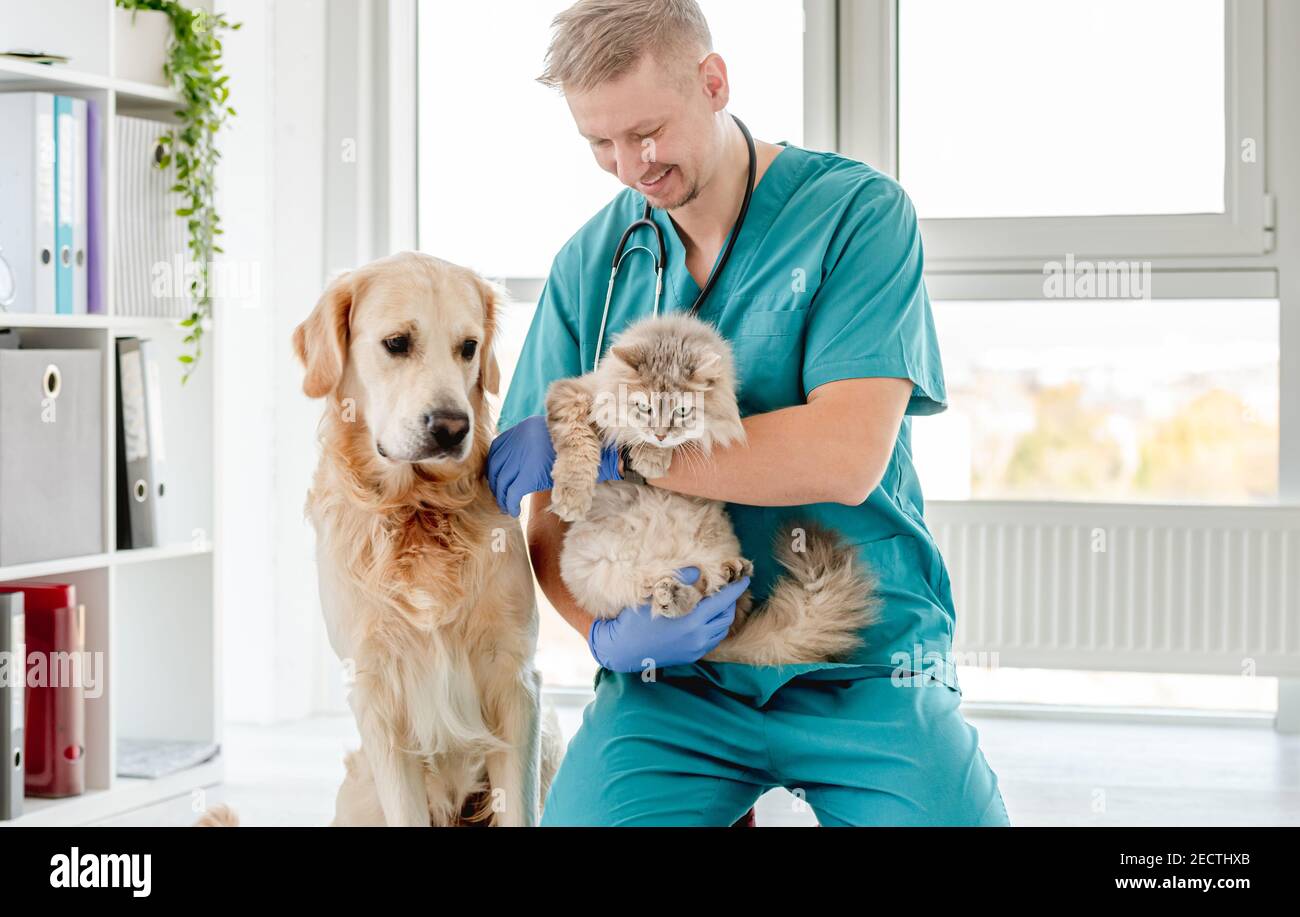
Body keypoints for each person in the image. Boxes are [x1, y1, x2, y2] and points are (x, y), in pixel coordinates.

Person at [487, 0, 1010, 827]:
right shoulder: (591, 262)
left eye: (646, 131)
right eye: (600, 143)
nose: (630, 166)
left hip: (861, 658)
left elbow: (843, 455)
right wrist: (605, 635)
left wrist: (624, 448)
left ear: (713, 80)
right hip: (673, 687)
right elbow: (551, 513)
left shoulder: (856, 216)